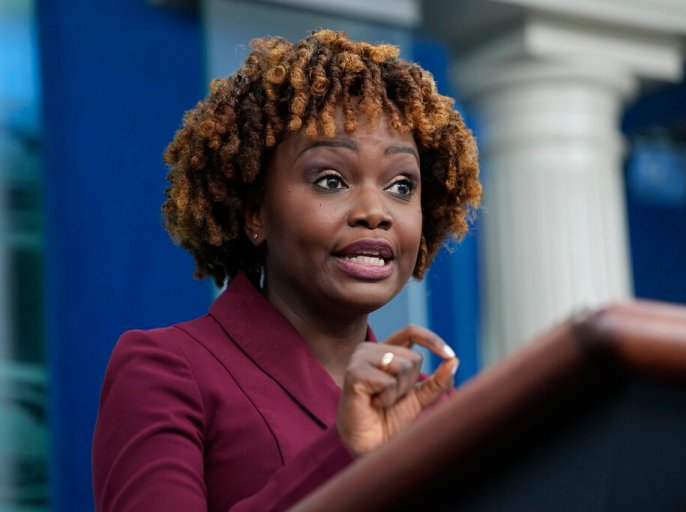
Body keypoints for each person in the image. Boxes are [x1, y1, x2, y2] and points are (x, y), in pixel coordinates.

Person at [92, 30, 481, 511]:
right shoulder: (167, 369)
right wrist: (344, 449)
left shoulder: (430, 405)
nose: (375, 211)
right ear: (256, 213)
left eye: (402, 186)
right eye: (331, 180)